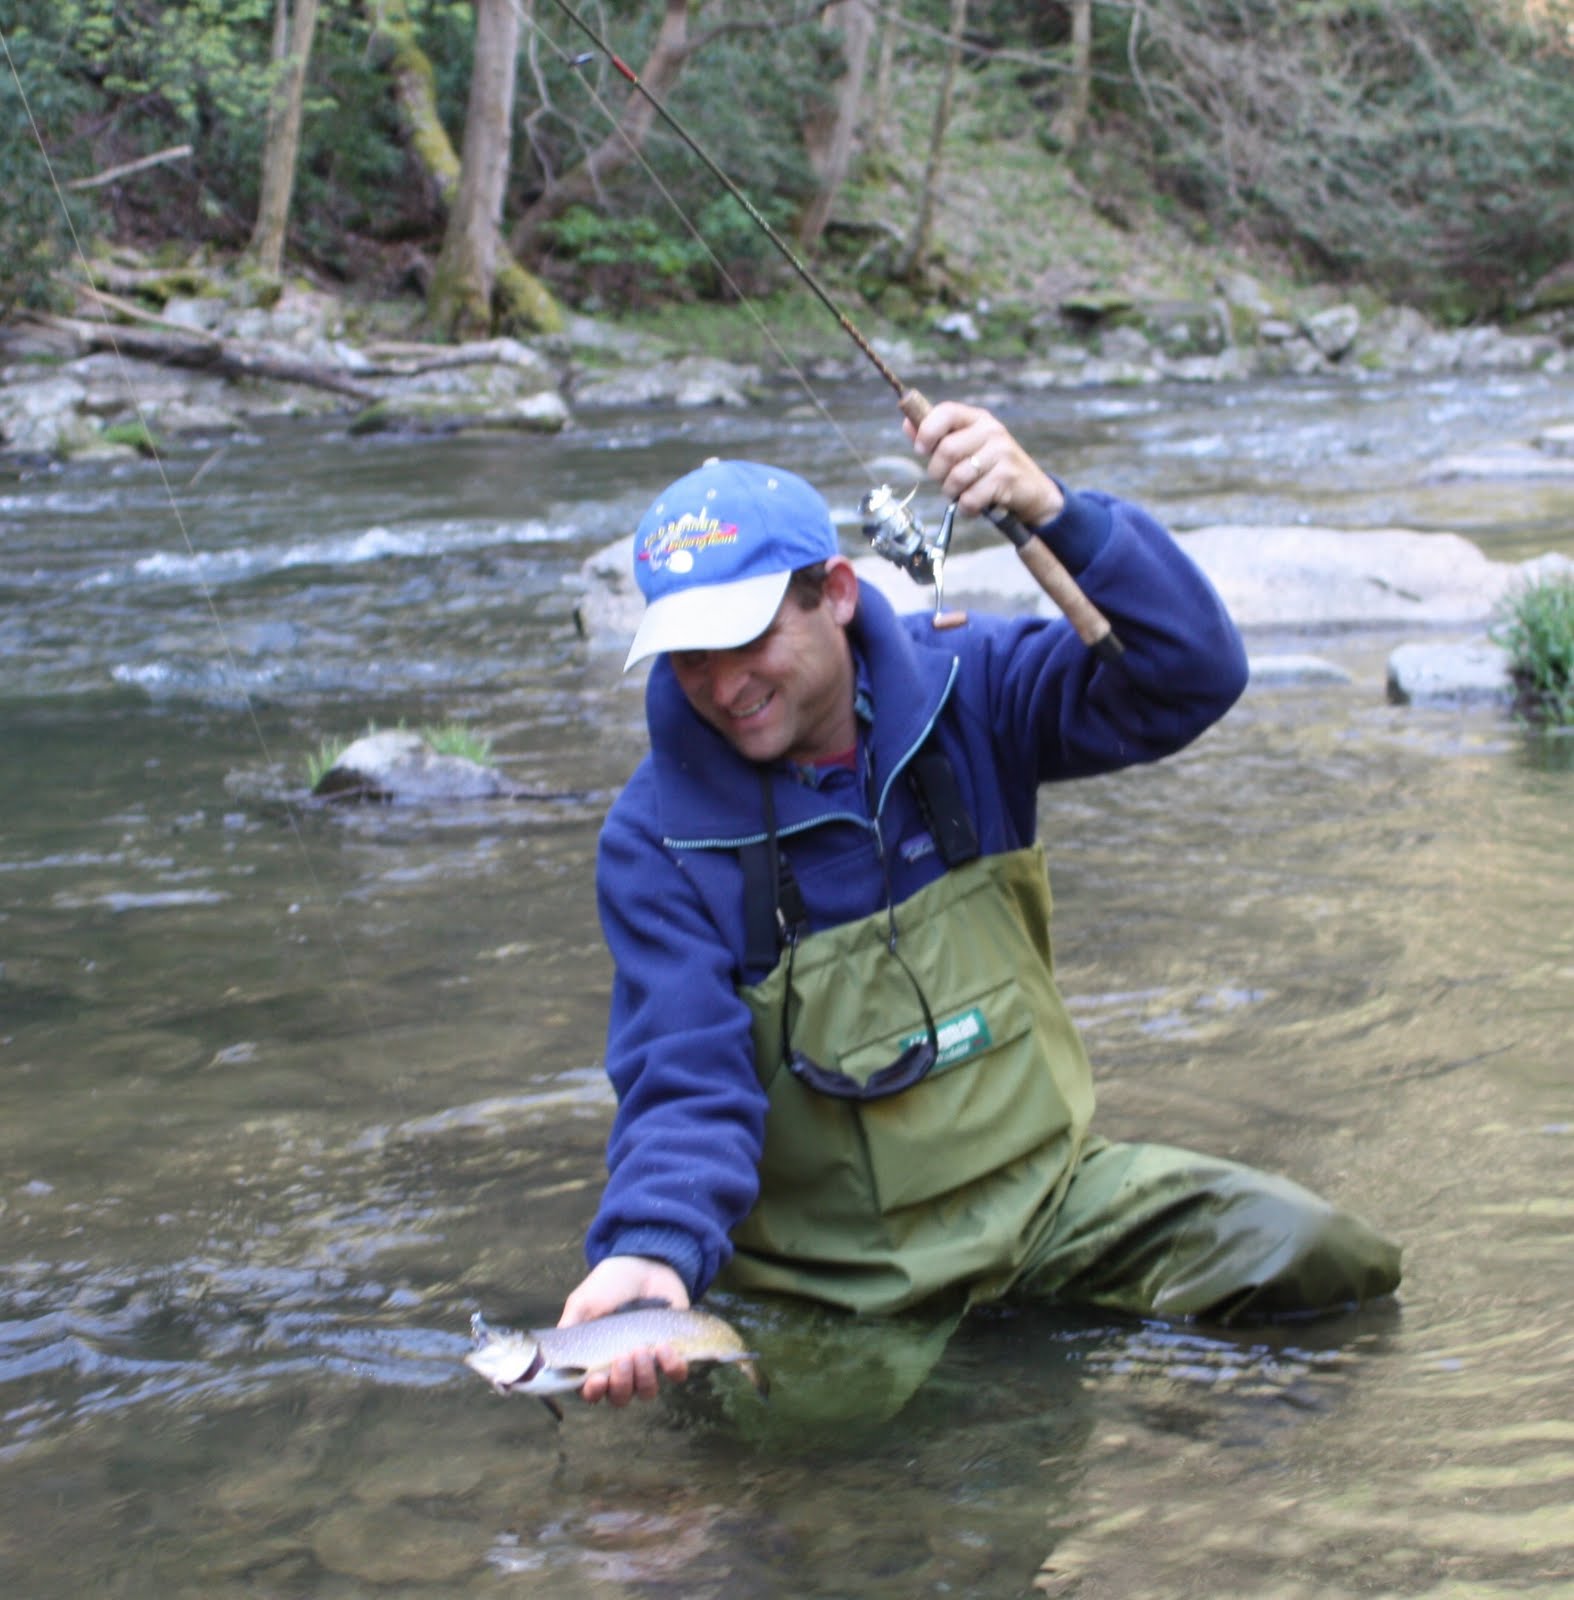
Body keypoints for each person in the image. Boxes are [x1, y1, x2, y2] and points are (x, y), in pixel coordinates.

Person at [559, 401, 1402, 1407]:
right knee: (850, 1511)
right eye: (686, 652)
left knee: (1316, 1258)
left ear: (832, 593)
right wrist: (652, 1250)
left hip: (1045, 1203)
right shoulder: (654, 834)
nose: (720, 682)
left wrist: (1053, 510)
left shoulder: (970, 688)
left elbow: (1190, 677)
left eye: (745, 636)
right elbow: (682, 1075)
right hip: (835, 1282)